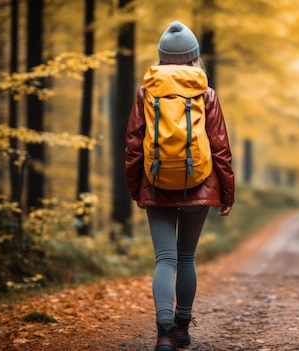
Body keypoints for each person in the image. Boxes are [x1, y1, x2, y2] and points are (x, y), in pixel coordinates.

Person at [124, 20, 235, 351]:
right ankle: (183, 329)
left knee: (165, 259)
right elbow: (220, 149)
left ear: (161, 57)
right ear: (194, 58)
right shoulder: (206, 93)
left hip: (155, 184)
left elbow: (133, 146)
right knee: (186, 257)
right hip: (199, 184)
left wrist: (136, 188)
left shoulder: (146, 92)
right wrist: (227, 195)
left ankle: (164, 333)